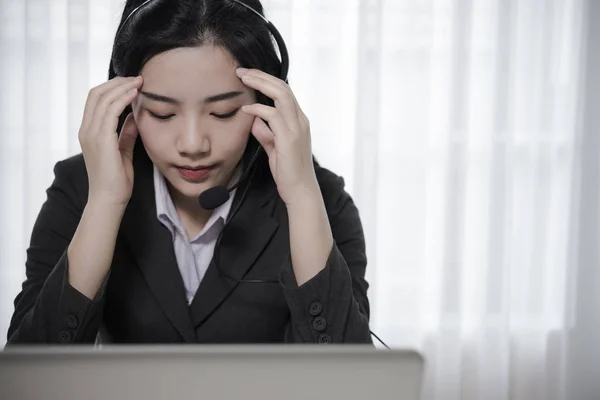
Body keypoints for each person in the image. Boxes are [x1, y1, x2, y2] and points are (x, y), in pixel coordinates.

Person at [6, 0, 372, 345]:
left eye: (224, 112)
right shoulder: (81, 187)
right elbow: (30, 376)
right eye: (163, 114)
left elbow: (350, 381)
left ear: (266, 103)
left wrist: (303, 199)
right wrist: (104, 201)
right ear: (126, 106)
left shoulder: (319, 199)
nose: (193, 144)